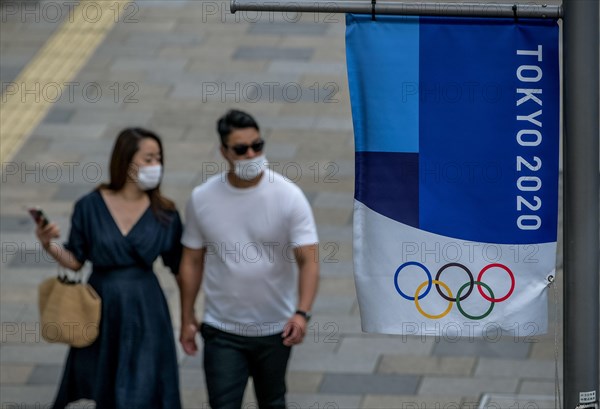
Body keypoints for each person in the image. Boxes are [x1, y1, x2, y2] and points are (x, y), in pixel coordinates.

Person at [179, 109, 320, 409]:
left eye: (258, 145)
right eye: (241, 150)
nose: (252, 154)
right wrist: (186, 317)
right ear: (224, 152)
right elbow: (191, 260)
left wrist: (302, 313)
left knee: (273, 401)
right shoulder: (203, 198)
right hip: (222, 330)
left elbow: (309, 259)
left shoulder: (288, 196)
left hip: (275, 328)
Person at [35, 128, 183, 409]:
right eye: (148, 158)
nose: (155, 166)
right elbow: (76, 259)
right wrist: (48, 245)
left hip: (146, 309)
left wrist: (188, 317)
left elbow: (180, 265)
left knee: (145, 384)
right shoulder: (89, 206)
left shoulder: (165, 213)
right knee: (106, 384)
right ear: (125, 160)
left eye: (158, 159)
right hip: (102, 306)